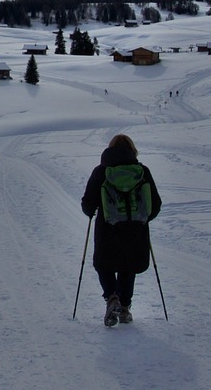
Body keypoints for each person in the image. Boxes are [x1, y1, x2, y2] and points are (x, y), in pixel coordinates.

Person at [81, 133, 162, 326]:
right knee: (129, 265)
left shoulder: (101, 171)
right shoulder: (142, 171)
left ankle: (111, 298)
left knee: (104, 264)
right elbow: (156, 204)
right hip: (135, 228)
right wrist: (143, 218)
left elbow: (88, 204)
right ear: (132, 149)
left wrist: (92, 211)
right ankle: (125, 307)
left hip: (108, 228)